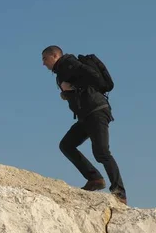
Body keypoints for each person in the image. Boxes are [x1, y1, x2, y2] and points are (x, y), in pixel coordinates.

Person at [42, 45, 127, 205]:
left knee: (101, 152)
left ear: (54, 56)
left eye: (44, 59)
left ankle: (119, 193)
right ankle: (95, 179)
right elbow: (76, 87)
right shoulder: (61, 71)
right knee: (66, 145)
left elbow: (93, 76)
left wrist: (72, 87)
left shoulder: (68, 63)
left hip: (96, 111)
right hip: (86, 116)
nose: (43, 63)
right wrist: (66, 93)